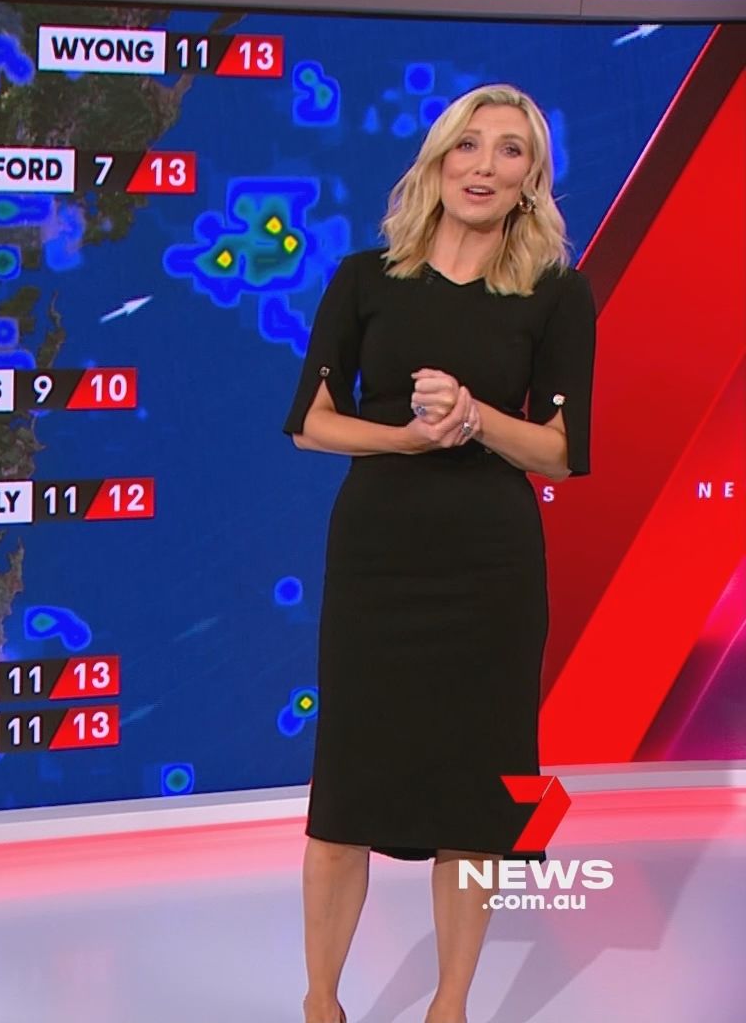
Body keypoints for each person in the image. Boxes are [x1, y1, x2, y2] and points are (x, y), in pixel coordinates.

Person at [283, 83, 596, 1023]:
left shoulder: (556, 294)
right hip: (379, 559)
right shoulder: (365, 278)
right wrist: (410, 439)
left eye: (510, 151)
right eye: (468, 145)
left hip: (489, 571)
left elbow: (562, 452)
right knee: (346, 795)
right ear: (438, 161)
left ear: (531, 179)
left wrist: (473, 417)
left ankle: (449, 1005)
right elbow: (310, 422)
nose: (484, 166)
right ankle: (323, 1004)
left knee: (472, 796)